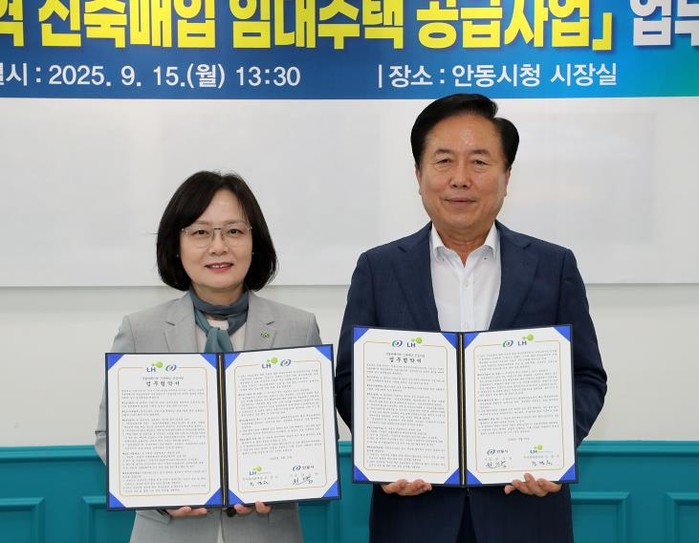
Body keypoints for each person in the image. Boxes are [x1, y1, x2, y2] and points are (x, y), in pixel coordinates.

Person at [334, 94, 607, 543]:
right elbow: (349, 380)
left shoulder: (553, 265)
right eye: (444, 161)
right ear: (419, 175)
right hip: (413, 516)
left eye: (479, 162)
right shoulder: (378, 269)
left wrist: (554, 452)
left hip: (525, 514)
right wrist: (383, 454)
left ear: (506, 177)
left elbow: (587, 376)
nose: (460, 178)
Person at [95, 170, 321, 543]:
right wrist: (159, 494)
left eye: (234, 231)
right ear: (177, 245)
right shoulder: (140, 330)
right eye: (201, 232)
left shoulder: (297, 328)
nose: (219, 247)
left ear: (255, 242)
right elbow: (110, 435)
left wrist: (285, 483)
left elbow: (314, 436)